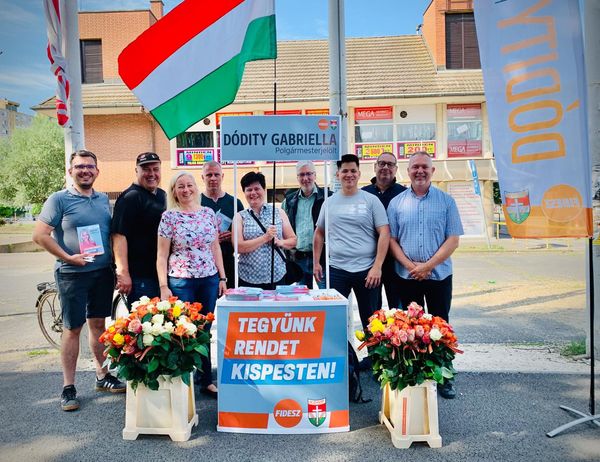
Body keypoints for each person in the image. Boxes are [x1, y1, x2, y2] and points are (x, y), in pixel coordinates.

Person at [32, 149, 125, 412]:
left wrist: (118, 267)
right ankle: (68, 387)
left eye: (89, 166)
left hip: (101, 272)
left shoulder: (102, 199)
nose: (85, 171)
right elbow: (40, 235)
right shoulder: (58, 199)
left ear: (97, 171)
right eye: (80, 166)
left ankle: (102, 375)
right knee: (73, 328)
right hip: (71, 274)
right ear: (70, 171)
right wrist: (68, 257)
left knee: (98, 325)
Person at [387, 151, 464, 399]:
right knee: (410, 329)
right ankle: (414, 375)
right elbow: (391, 240)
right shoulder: (397, 203)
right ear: (408, 171)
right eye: (415, 167)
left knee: (440, 326)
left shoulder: (446, 202)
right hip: (406, 276)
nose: (419, 171)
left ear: (432, 171)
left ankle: (444, 376)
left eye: (424, 167)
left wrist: (428, 266)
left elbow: (453, 240)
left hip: (439, 276)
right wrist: (412, 267)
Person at [156, 171, 227, 398]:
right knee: (182, 331)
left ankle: (205, 380)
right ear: (174, 191)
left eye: (189, 185)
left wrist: (222, 277)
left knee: (204, 330)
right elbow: (161, 255)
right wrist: (164, 286)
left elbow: (215, 247)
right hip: (181, 281)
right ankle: (182, 382)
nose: (186, 190)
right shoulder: (169, 217)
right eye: (180, 186)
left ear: (196, 187)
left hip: (209, 279)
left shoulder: (208, 213)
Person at [313, 154, 390, 329]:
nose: (349, 175)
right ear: (338, 174)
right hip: (337, 270)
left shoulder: (371, 200)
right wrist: (317, 263)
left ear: (359, 173)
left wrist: (377, 266)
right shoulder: (329, 203)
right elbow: (319, 233)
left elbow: (384, 232)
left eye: (353, 171)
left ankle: (371, 348)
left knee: (372, 323)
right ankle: (344, 348)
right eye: (345, 171)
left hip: (367, 271)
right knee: (335, 321)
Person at [111, 152, 166, 307]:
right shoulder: (130, 197)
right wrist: (123, 273)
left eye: (155, 169)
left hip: (160, 274)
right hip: (140, 277)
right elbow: (118, 236)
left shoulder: (162, 195)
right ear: (137, 171)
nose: (152, 174)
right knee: (144, 320)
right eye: (146, 169)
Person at [235, 171, 297, 289]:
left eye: (257, 189)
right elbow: (239, 247)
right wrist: (265, 238)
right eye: (249, 190)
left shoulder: (278, 212)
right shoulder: (239, 217)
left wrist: (280, 242)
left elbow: (293, 240)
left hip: (277, 276)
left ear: (264, 189)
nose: (253, 193)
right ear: (244, 192)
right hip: (248, 278)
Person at [362, 152, 407, 309]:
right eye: (382, 163)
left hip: (396, 260)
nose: (386, 167)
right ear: (375, 167)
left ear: (396, 169)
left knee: (398, 309)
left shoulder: (404, 194)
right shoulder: (363, 194)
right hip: (369, 260)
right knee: (372, 309)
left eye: (390, 164)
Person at [282, 161, 331, 289]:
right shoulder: (289, 201)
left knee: (326, 295)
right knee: (302, 298)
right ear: (297, 177)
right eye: (301, 175)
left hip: (323, 259)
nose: (305, 178)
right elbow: (282, 228)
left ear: (315, 175)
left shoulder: (328, 197)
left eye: (309, 174)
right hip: (298, 259)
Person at [200, 161, 243, 288]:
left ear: (222, 176)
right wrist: (212, 240)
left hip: (229, 261)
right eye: (209, 175)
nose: (213, 178)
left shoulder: (234, 203)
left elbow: (244, 233)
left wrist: (233, 236)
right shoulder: (196, 202)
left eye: (216, 174)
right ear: (203, 177)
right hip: (203, 264)